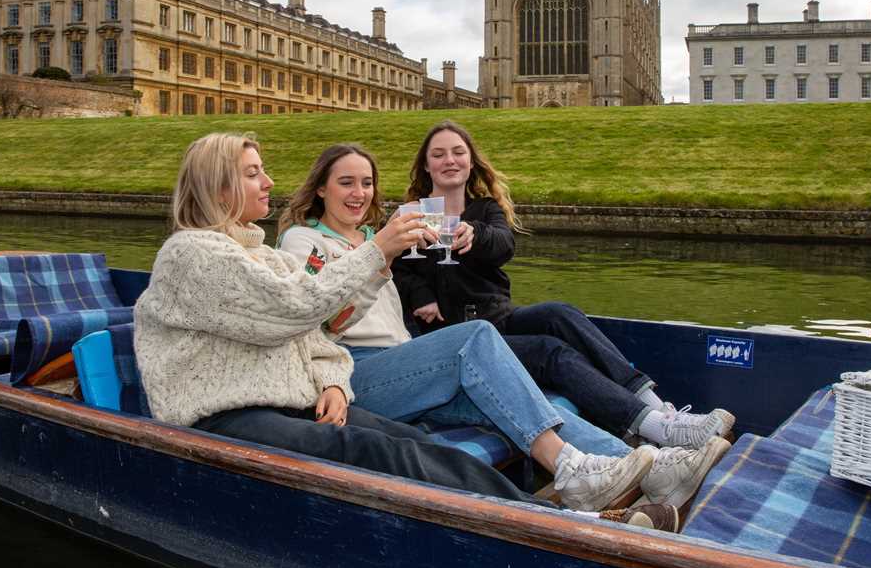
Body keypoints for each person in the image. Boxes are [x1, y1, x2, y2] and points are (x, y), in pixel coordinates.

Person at [277, 143, 730, 511]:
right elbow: (322, 322)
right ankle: (587, 468)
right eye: (346, 183)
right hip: (352, 376)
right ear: (320, 189)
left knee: (516, 402)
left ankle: (645, 467)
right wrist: (381, 257)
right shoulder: (306, 241)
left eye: (367, 182)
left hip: (401, 365)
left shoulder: (377, 235)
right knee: (476, 338)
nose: (358, 192)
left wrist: (391, 256)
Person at [391, 120, 735, 451]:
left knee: (560, 313)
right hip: (457, 334)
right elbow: (391, 269)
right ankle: (655, 428)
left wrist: (476, 234)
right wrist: (422, 294)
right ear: (425, 164)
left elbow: (503, 245)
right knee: (549, 351)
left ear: (470, 161)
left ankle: (659, 408)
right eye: (438, 154)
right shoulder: (410, 215)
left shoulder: (486, 210)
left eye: (458, 152)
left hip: (496, 317)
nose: (449, 160)